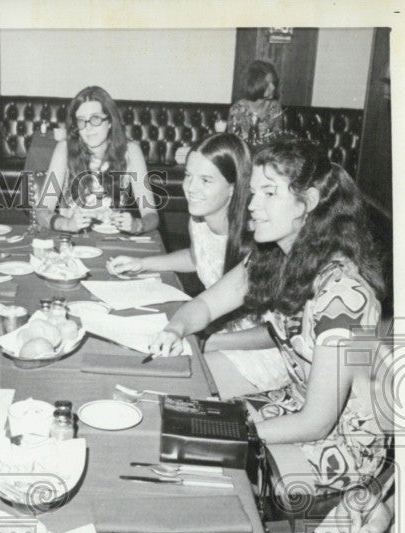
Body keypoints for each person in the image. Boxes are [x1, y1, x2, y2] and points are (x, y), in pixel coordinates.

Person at [148, 139, 388, 496]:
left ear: (307, 203)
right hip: (292, 402)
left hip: (345, 441)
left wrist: (224, 434)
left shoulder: (343, 295)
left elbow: (317, 422)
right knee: (174, 417)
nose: (252, 205)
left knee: (203, 466)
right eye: (254, 191)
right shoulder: (273, 256)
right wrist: (175, 327)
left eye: (268, 194)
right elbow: (207, 305)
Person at [108, 133, 289, 396]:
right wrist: (143, 263)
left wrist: (214, 341)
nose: (191, 188)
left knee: (163, 384)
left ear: (234, 186)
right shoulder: (200, 219)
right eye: (188, 176)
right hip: (219, 333)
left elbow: (277, 331)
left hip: (264, 353)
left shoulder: (259, 240)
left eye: (205, 180)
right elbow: (198, 258)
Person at [35, 85, 160, 235]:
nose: (88, 128)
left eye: (95, 119)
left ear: (110, 122)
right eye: (81, 121)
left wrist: (136, 224)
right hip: (73, 240)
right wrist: (67, 224)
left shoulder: (131, 151)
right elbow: (42, 211)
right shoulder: (64, 149)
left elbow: (151, 214)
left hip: (113, 239)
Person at [227, 59, 284, 145]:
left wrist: (269, 135)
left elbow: (279, 140)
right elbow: (233, 143)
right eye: (267, 84)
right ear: (255, 84)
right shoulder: (237, 109)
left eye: (273, 83)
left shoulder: (275, 107)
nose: (273, 87)